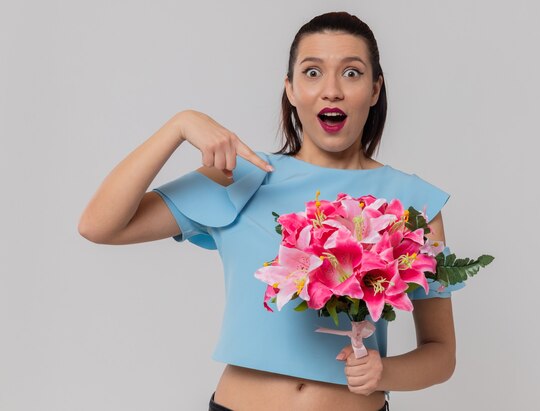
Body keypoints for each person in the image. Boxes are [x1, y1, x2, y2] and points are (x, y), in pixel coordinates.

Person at [78, 11, 465, 411]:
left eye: (351, 73)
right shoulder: (241, 176)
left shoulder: (414, 204)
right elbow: (99, 226)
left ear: (374, 89)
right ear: (291, 89)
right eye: (312, 72)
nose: (331, 90)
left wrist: (385, 374)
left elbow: (441, 354)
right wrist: (179, 125)